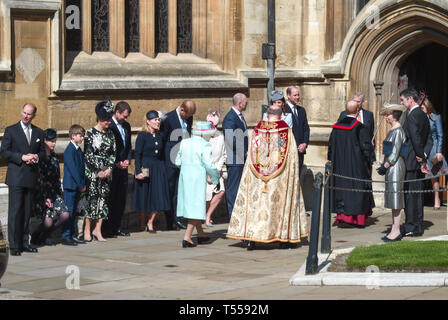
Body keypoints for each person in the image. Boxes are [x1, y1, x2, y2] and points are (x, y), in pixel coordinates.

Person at [226, 105, 308, 250]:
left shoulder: (257, 130)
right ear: (282, 115)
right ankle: (282, 238)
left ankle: (251, 238)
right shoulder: (286, 132)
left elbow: (252, 153)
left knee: (255, 206)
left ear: (267, 114)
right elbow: (291, 158)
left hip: (257, 177)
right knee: (278, 206)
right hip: (279, 177)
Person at [0, 103, 45, 256]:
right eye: (24, 113)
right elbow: (4, 152)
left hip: (31, 177)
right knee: (15, 212)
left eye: (29, 114)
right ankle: (14, 245)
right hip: (16, 177)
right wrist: (22, 157)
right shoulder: (11, 130)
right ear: (21, 112)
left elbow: (44, 153)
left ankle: (25, 242)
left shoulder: (39, 132)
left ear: (34, 115)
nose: (26, 116)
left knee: (26, 212)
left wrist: (36, 157)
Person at [328, 100, 372, 228]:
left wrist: (333, 161)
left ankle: (341, 216)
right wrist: (368, 161)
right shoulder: (359, 127)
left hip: (339, 166)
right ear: (357, 112)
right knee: (355, 191)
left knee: (341, 190)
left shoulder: (336, 127)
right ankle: (356, 219)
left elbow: (330, 147)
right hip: (356, 167)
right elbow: (366, 148)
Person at [175, 121, 219, 248]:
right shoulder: (205, 145)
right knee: (197, 206)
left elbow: (177, 161)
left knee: (193, 205)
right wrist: (215, 179)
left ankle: (201, 234)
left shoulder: (185, 142)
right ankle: (187, 237)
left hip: (184, 176)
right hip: (197, 178)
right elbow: (209, 165)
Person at [82, 101, 116, 242]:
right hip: (93, 173)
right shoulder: (89, 134)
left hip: (106, 173)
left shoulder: (110, 134)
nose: (109, 122)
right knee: (92, 200)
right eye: (107, 120)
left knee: (104, 200)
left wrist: (109, 169)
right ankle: (87, 230)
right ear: (100, 119)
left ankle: (98, 229)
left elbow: (113, 153)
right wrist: (98, 171)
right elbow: (88, 155)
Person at [133, 110, 171, 233]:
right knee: (145, 194)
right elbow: (137, 154)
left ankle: (150, 222)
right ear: (148, 121)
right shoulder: (142, 135)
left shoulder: (160, 135)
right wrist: (138, 171)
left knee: (157, 195)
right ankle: (142, 222)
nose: (157, 122)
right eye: (155, 120)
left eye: (158, 120)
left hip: (158, 168)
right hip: (145, 167)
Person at [31, 129, 70, 246]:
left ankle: (46, 236)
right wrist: (44, 197)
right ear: (44, 141)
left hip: (54, 193)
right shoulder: (39, 158)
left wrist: (58, 193)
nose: (53, 144)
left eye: (55, 141)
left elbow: (57, 177)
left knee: (65, 215)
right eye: (50, 141)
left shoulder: (54, 157)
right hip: (41, 194)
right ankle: (37, 237)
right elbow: (38, 179)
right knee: (47, 222)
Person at [161, 100, 196, 230]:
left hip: (184, 160)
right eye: (186, 115)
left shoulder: (189, 118)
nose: (187, 118)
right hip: (170, 159)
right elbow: (163, 139)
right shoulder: (168, 118)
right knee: (170, 190)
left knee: (179, 190)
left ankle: (177, 218)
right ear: (181, 110)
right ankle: (169, 220)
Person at [400, 88, 430, 237]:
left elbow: (415, 138)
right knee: (417, 195)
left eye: (403, 100)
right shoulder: (423, 115)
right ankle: (417, 225)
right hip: (417, 159)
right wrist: (424, 154)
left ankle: (412, 226)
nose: (402, 103)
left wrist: (420, 157)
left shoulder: (412, 116)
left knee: (411, 195)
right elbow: (429, 140)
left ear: (410, 99)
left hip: (412, 161)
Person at [377, 104, 407, 242]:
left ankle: (396, 230)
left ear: (394, 116)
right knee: (393, 198)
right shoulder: (393, 130)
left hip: (395, 166)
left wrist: (385, 165)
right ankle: (395, 229)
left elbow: (394, 153)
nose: (386, 118)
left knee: (396, 198)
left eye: (388, 115)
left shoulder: (398, 131)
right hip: (391, 167)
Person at [103, 101, 132, 238]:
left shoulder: (126, 126)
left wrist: (127, 159)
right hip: (112, 168)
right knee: (111, 199)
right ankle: (107, 229)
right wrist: (116, 163)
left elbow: (128, 146)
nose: (125, 119)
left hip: (123, 168)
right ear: (117, 112)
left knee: (121, 199)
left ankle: (117, 227)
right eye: (124, 116)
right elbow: (107, 150)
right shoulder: (109, 126)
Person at [222, 93, 249, 218]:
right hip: (234, 158)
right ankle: (232, 215)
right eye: (245, 102)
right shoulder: (230, 118)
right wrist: (243, 152)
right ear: (239, 103)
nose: (247, 103)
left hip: (240, 158)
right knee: (233, 188)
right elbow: (230, 138)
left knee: (239, 187)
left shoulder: (239, 116)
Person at [421, 97, 448, 210]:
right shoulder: (420, 119)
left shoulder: (436, 118)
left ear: (427, 106)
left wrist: (439, 151)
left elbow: (440, 135)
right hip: (423, 149)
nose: (421, 110)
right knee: (427, 176)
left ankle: (438, 198)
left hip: (434, 149)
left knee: (438, 174)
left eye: (422, 108)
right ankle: (430, 199)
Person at [62, 124, 87, 246]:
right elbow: (73, 170)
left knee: (74, 212)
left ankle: (72, 235)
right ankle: (66, 236)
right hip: (71, 185)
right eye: (80, 135)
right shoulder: (69, 150)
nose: (82, 138)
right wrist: (81, 183)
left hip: (76, 185)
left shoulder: (77, 149)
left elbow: (81, 168)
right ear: (73, 136)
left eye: (83, 136)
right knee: (69, 212)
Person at [204, 112, 226, 227]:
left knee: (221, 191)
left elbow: (223, 155)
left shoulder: (220, 136)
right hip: (204, 169)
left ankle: (208, 216)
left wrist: (218, 169)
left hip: (216, 168)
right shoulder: (201, 137)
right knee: (207, 195)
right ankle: (206, 216)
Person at [285, 86, 310, 173]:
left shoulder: (301, 110)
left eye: (298, 95)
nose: (297, 97)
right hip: (288, 152)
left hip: (300, 151)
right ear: (288, 95)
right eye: (295, 95)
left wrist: (304, 143)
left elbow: (306, 128)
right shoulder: (283, 110)